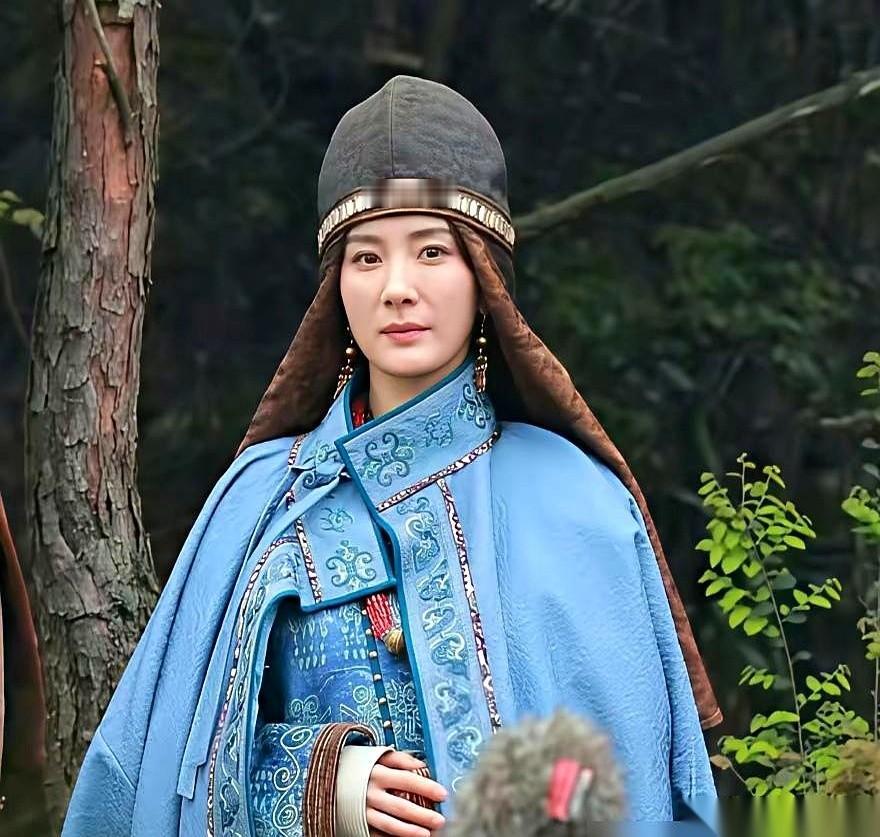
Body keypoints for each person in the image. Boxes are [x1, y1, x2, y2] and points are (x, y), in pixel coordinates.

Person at [62, 75, 722, 837]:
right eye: (367, 258)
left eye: (432, 250)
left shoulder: (581, 507)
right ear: (336, 288)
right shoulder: (257, 504)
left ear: (483, 274)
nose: (397, 288)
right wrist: (323, 786)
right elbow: (158, 777)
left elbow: (635, 790)